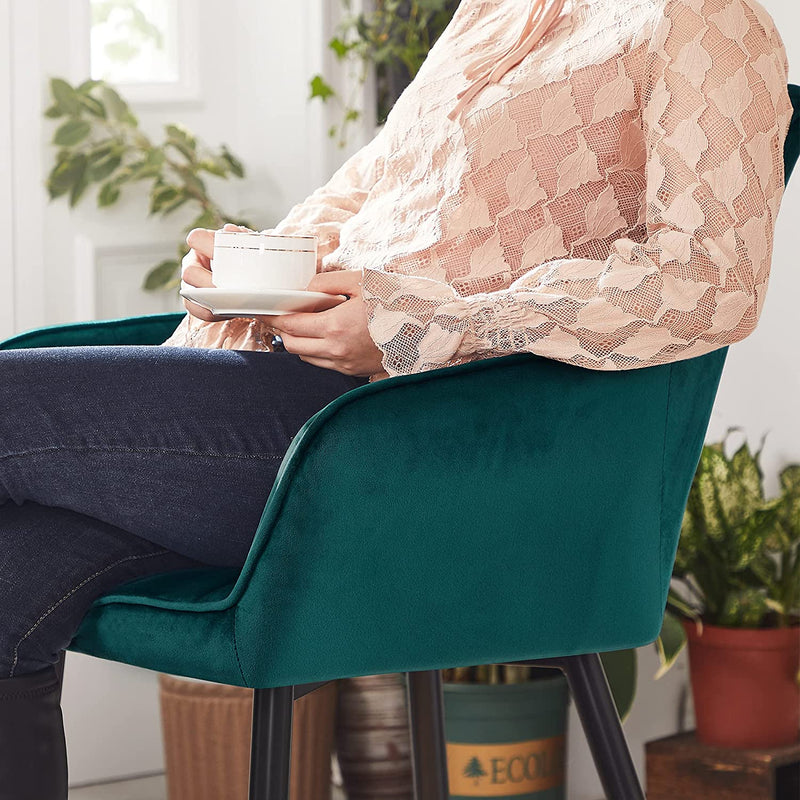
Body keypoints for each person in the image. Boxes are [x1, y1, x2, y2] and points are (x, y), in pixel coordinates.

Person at [0, 0, 792, 796]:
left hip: (407, 452)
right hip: (295, 404)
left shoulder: (704, 18)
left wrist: (423, 327)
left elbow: (712, 282)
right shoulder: (493, 10)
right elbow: (368, 200)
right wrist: (251, 273)